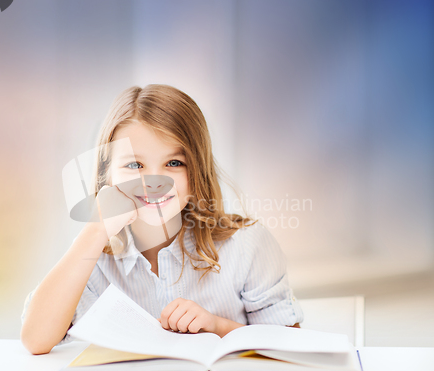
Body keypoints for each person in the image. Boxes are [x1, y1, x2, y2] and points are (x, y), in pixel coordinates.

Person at [20, 84, 304, 355]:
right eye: (135, 165)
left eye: (174, 163)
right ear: (108, 174)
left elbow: (292, 348)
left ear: (197, 173)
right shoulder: (93, 254)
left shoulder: (247, 245)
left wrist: (217, 327)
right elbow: (36, 339)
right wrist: (95, 231)